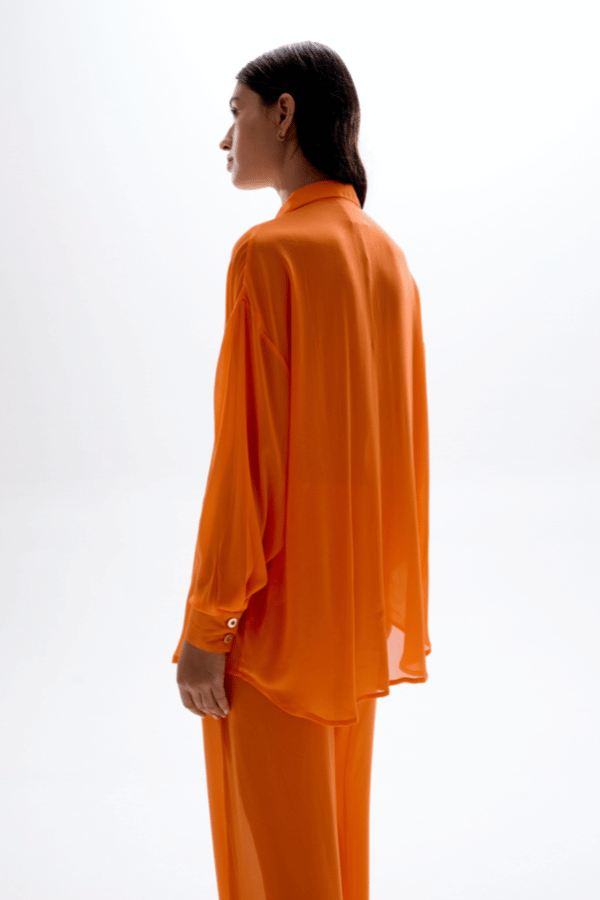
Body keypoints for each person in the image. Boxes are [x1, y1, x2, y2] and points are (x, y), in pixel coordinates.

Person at [172, 41, 430, 900]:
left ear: (284, 113)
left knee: (277, 869)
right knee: (331, 859)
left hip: (275, 625)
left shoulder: (270, 253)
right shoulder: (388, 258)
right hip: (350, 623)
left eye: (236, 112)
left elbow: (247, 458)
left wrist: (208, 626)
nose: (225, 138)